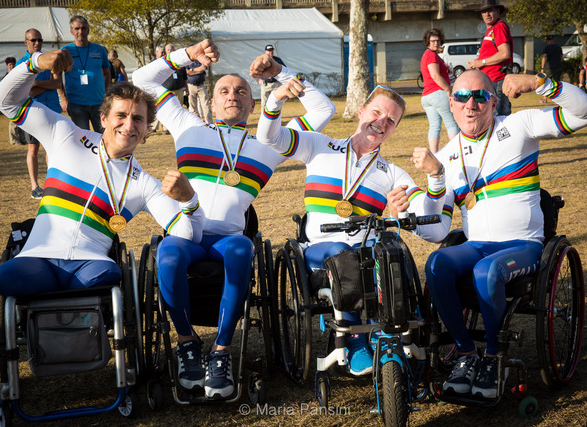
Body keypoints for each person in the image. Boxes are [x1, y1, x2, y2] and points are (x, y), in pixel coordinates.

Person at [132, 39, 335, 399]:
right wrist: (188, 56)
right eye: (223, 90)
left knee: (243, 248)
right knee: (168, 254)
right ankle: (187, 343)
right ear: (211, 102)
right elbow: (142, 79)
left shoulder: (269, 142)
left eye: (241, 90)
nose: (232, 95)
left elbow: (324, 110)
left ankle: (221, 352)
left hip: (229, 239)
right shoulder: (187, 125)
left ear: (252, 102)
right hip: (186, 233)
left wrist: (279, 73)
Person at [424, 69, 587, 399]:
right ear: (451, 102)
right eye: (462, 97)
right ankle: (465, 354)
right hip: (476, 244)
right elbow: (436, 231)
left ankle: (493, 357)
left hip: (523, 245)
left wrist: (540, 84)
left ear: (493, 101)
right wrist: (424, 192)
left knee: (486, 271)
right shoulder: (447, 155)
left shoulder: (518, 126)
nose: (471, 104)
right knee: (437, 264)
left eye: (480, 96)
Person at [255, 77, 446, 375]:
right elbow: (271, 138)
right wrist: (275, 100)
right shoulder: (319, 144)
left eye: (391, 120)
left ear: (394, 130)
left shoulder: (392, 173)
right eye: (377, 113)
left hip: (366, 252)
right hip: (321, 248)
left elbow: (433, 229)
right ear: (360, 110)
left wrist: (435, 180)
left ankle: (390, 333)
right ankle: (356, 340)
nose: (382, 122)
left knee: (390, 249)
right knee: (343, 250)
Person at [0, 49, 203, 298]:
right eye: (120, 116)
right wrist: (35, 63)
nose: (128, 125)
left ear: (147, 129)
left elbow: (186, 234)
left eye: (137, 119)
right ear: (103, 118)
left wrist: (189, 200)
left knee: (107, 276)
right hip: (38, 256)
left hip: (91, 265)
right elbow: (4, 100)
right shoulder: (65, 134)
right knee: (2, 278)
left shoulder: (144, 184)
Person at [15, 28, 64, 199]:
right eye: (33, 40)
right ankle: (35, 186)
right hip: (32, 112)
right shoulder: (21, 64)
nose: (37, 43)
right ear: (26, 42)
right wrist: (45, 83)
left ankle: (52, 184)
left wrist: (38, 84)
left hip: (52, 110)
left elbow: (57, 83)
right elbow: (27, 91)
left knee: (53, 149)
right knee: (33, 149)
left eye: (40, 40)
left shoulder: (50, 59)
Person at [61, 15, 111, 132]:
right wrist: (64, 100)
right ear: (72, 31)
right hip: (76, 104)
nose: (80, 32)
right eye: (77, 29)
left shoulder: (99, 50)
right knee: (83, 140)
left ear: (88, 30)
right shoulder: (65, 51)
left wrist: (106, 94)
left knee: (103, 136)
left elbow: (107, 73)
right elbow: (56, 76)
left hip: (98, 103)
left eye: (83, 28)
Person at [467, 0, 513, 116]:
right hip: (491, 80)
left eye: (490, 11)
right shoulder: (491, 29)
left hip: (497, 79)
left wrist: (481, 62)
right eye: (483, 12)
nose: (486, 14)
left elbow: (504, 53)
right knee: (493, 116)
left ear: (497, 11)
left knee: (497, 116)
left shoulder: (499, 27)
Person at [420, 28, 459, 152]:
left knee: (434, 127)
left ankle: (434, 155)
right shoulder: (431, 55)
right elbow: (435, 75)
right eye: (432, 41)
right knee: (452, 123)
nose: (435, 43)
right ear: (427, 42)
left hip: (427, 96)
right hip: (437, 93)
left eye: (437, 40)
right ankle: (458, 152)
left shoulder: (427, 55)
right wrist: (448, 89)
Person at [185, 58, 213, 123]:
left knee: (206, 106)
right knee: (193, 107)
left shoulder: (201, 60)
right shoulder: (187, 62)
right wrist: (198, 70)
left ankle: (209, 123)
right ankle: (196, 123)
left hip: (201, 86)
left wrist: (192, 70)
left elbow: (203, 68)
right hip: (191, 86)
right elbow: (187, 72)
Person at [539, 35, 563, 103]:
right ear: (553, 40)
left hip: (549, 67)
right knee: (557, 83)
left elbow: (544, 58)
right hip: (558, 66)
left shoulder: (547, 48)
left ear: (547, 41)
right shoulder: (558, 47)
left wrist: (542, 68)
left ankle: (544, 98)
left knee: (546, 82)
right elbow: (561, 57)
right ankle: (556, 99)